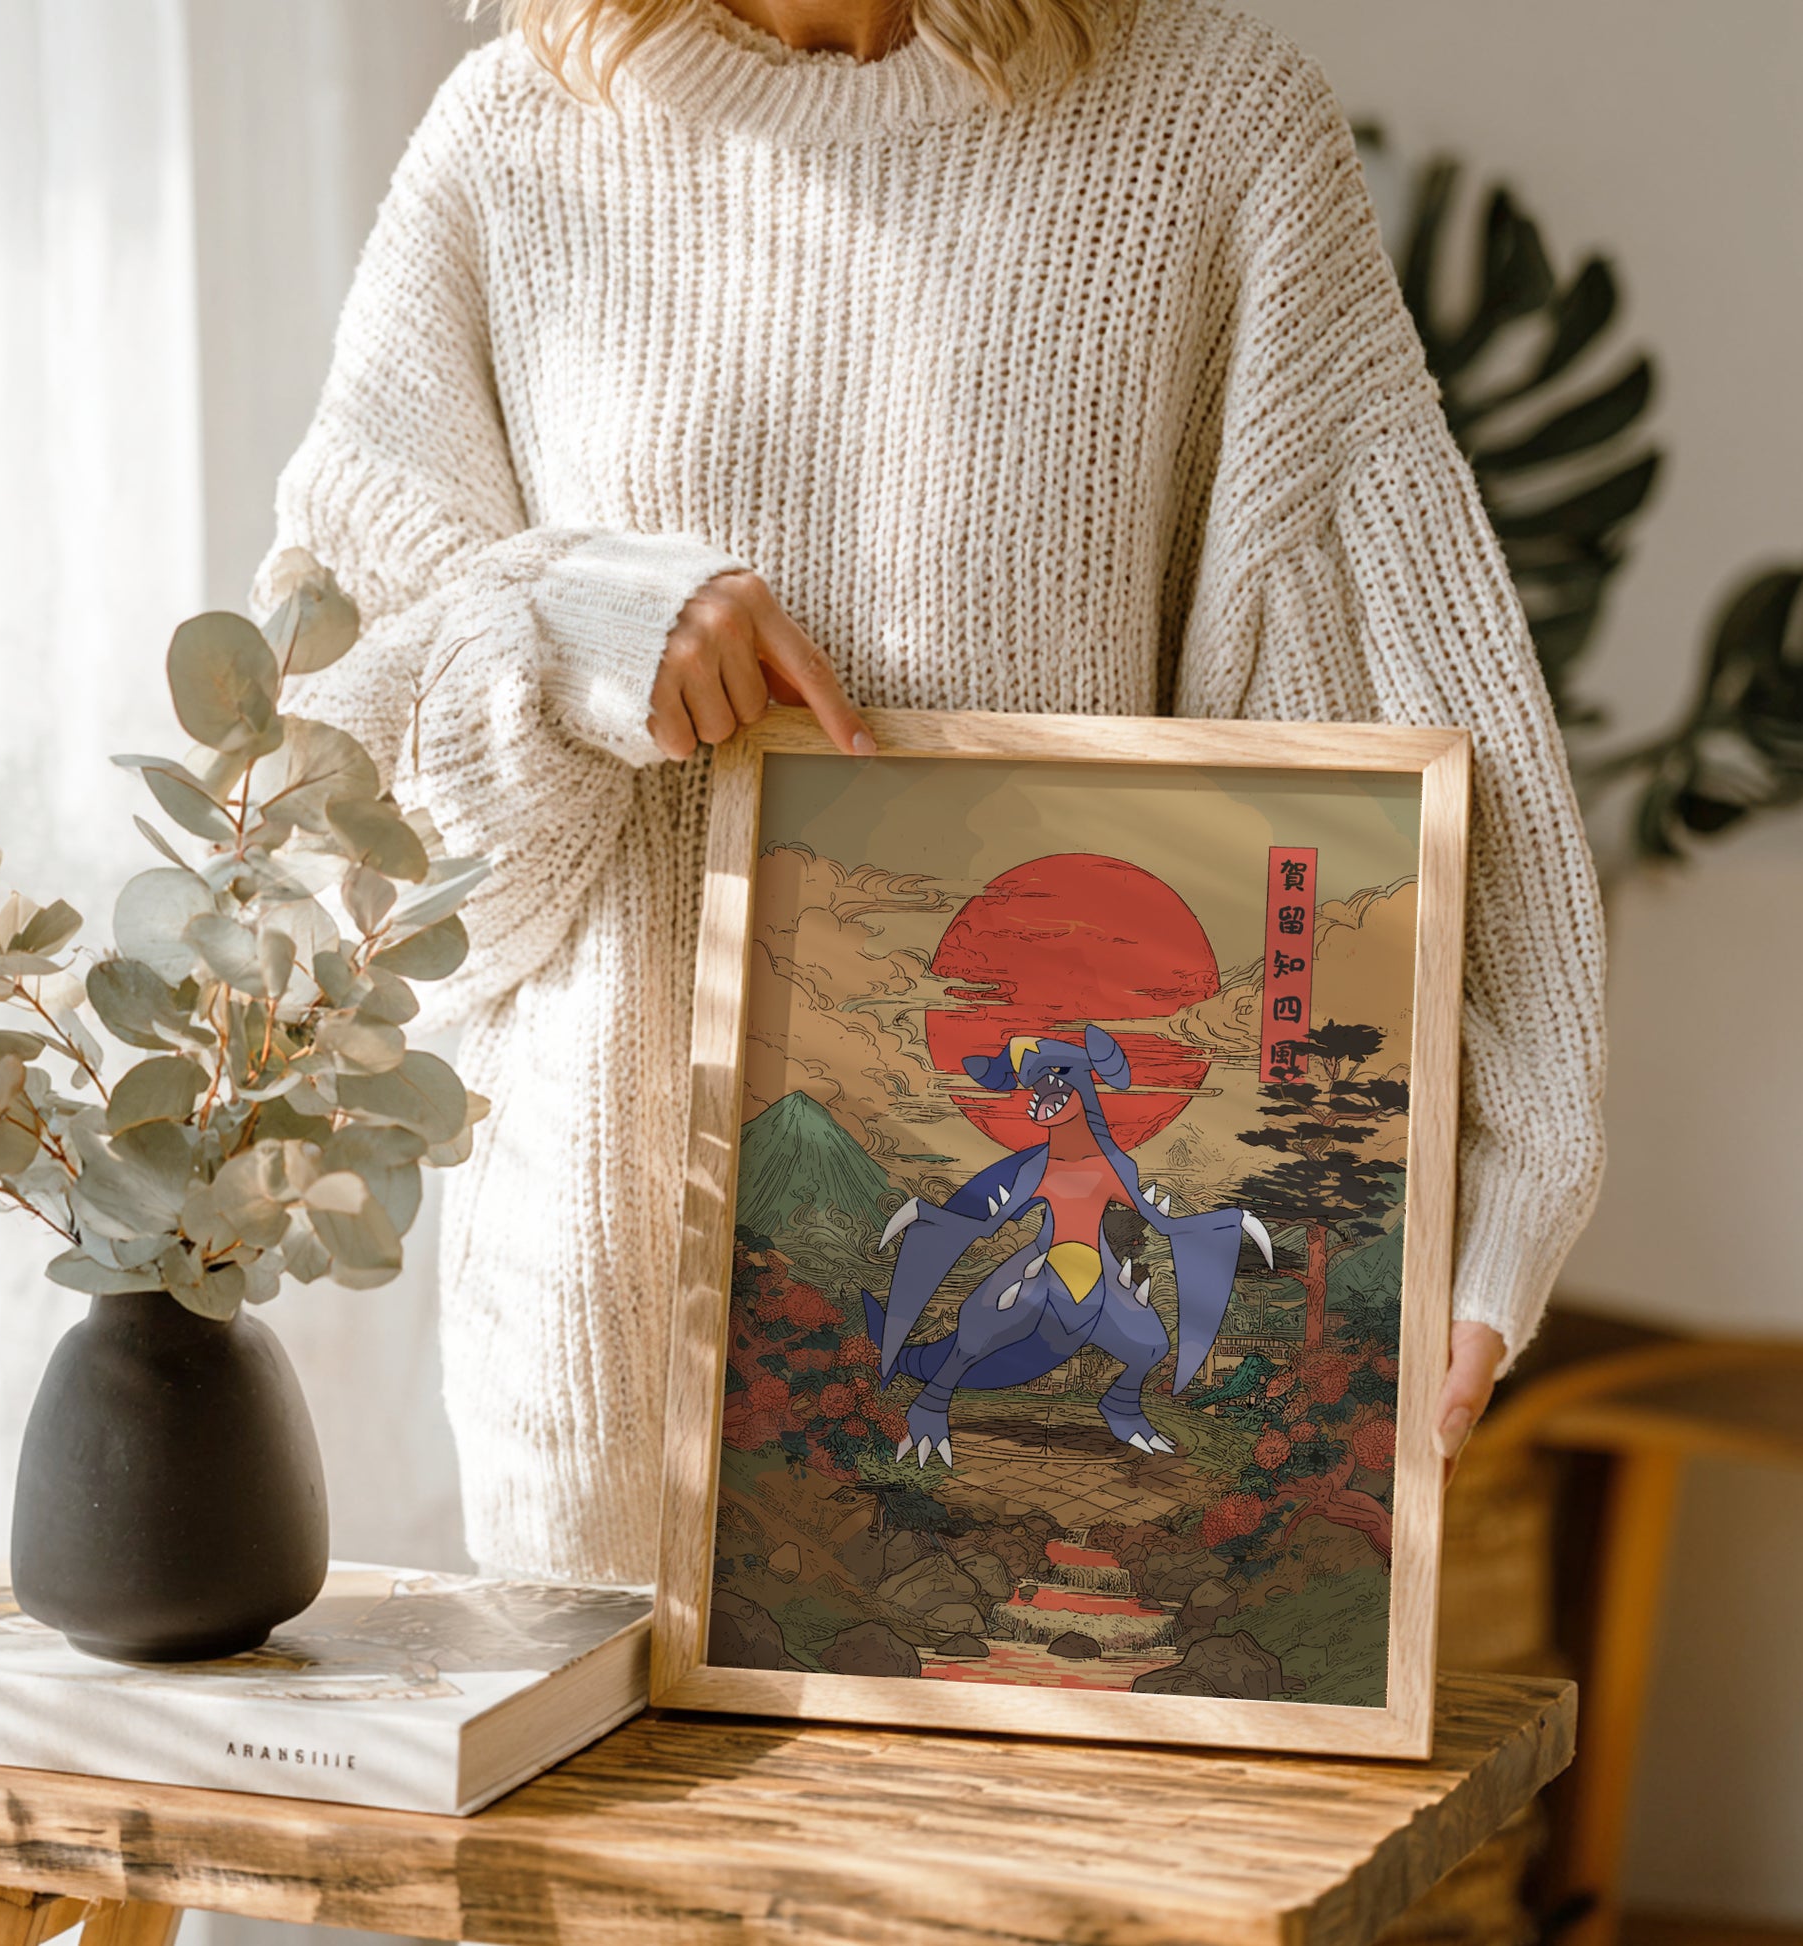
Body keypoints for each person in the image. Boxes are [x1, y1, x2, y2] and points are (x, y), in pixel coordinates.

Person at [254, 0, 1605, 1587]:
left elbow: (1389, 706)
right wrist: (569, 625)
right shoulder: (511, 141)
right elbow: (325, 825)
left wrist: (1494, 1178)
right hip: (603, 1356)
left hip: (1078, 1460)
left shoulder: (1211, 129)